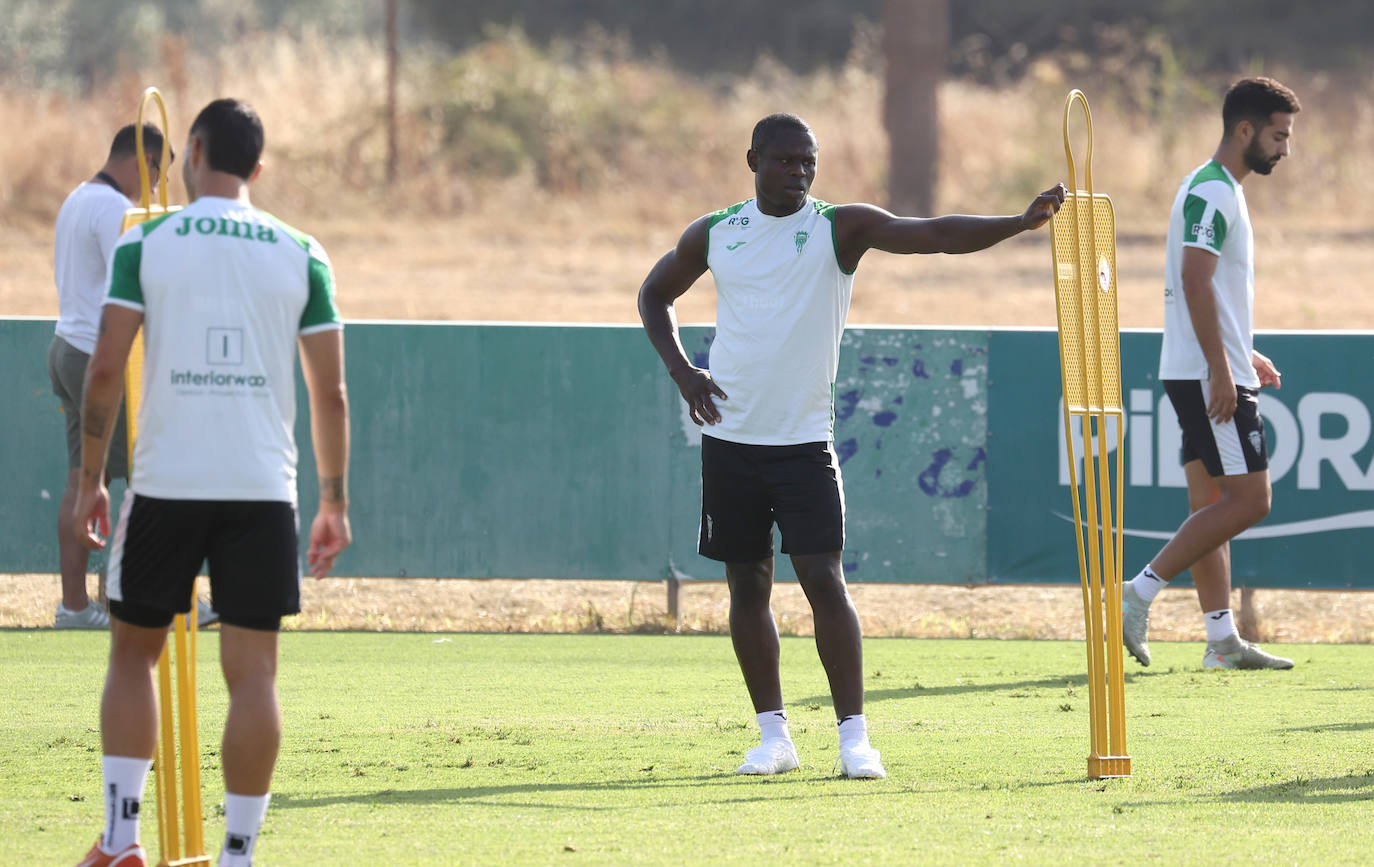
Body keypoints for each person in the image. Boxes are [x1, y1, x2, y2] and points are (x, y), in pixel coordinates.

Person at [638, 112, 1065, 779]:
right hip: (729, 441)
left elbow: (936, 235)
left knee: (823, 581)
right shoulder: (716, 232)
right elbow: (654, 293)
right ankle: (773, 737)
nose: (800, 172)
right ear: (753, 159)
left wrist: (1017, 223)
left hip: (804, 443)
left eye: (809, 160)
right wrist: (683, 372)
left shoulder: (839, 228)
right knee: (746, 587)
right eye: (784, 161)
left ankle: (854, 738)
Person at [71, 98, 352, 867]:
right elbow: (329, 393)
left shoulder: (148, 240)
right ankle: (237, 855)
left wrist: (88, 481)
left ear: (191, 151)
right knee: (254, 674)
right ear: (258, 169)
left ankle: (124, 839)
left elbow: (103, 369)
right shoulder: (304, 251)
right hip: (264, 488)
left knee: (133, 656)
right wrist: (334, 500)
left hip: (166, 482)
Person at [1121, 77, 1300, 671]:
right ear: (1244, 130)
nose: (1284, 149)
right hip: (1206, 375)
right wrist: (1224, 371)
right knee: (1251, 501)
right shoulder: (1213, 191)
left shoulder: (1218, 187)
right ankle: (1140, 590)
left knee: (1211, 504)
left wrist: (1241, 351)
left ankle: (1221, 642)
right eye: (1278, 136)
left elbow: (1205, 288)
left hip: (1207, 365)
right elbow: (1194, 280)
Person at [50, 123, 164, 629]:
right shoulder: (118, 211)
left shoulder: (77, 198)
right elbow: (140, 289)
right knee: (147, 480)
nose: (156, 188)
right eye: (157, 176)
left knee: (82, 481)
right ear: (149, 163)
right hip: (100, 360)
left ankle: (74, 606)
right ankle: (152, 598)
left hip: (65, 350)